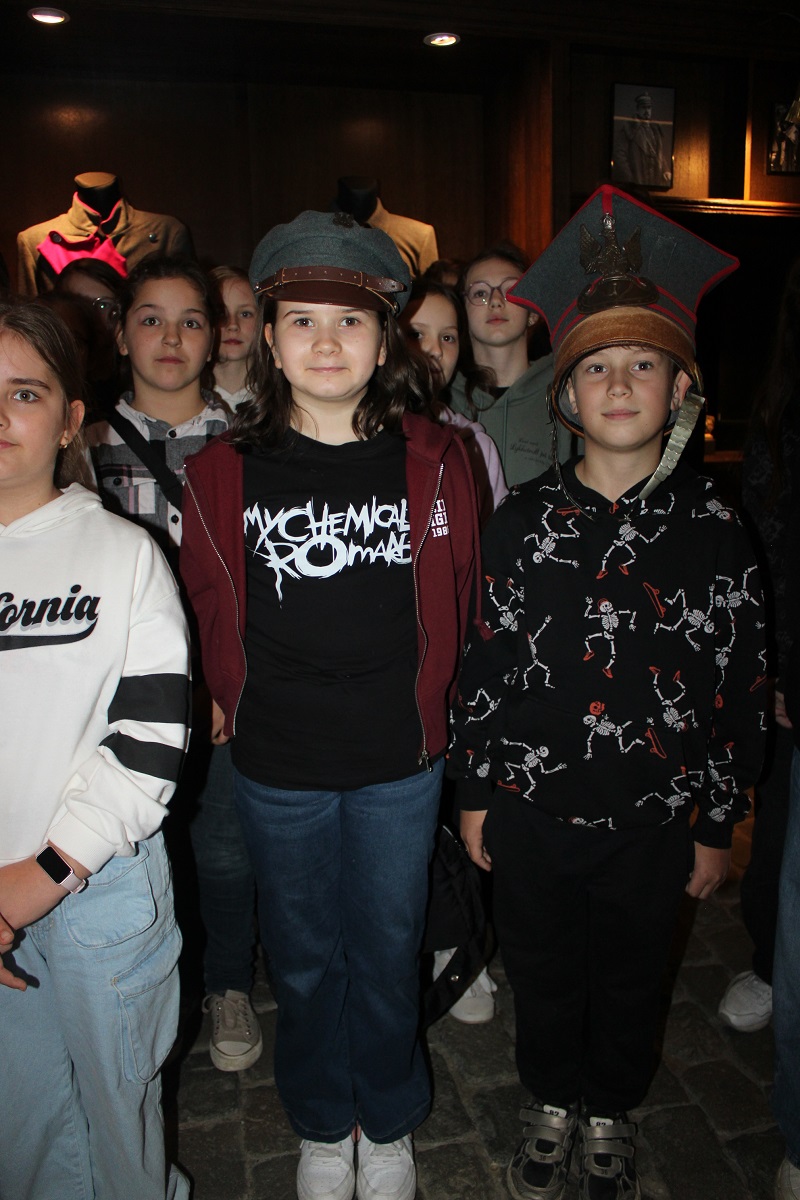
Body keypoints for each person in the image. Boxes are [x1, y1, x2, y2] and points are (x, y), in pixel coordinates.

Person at [448, 185, 766, 1200]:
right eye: (594, 366)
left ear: (681, 388)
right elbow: (485, 664)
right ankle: (550, 1096)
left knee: (631, 977)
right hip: (535, 811)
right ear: (564, 395)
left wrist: (716, 821)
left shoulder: (716, 532)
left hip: (653, 820)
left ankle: (611, 1107)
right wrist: (474, 790)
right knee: (542, 969)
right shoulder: (519, 522)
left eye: (642, 363)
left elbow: (736, 686)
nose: (618, 383)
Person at [179, 210, 480, 1200]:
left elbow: (466, 598)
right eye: (300, 320)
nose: (324, 341)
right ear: (266, 339)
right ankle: (320, 1117)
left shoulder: (439, 460)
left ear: (384, 340)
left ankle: (385, 1117)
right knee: (305, 957)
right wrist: (222, 697)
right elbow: (204, 603)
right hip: (278, 763)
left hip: (401, 762)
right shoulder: (218, 473)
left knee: (388, 949)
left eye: (349, 321)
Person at [0, 298, 191, 1199]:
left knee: (120, 1116)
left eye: (25, 392)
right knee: (23, 1124)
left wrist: (44, 872)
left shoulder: (124, 554)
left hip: (97, 888)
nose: (1, 415)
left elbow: (149, 740)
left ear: (71, 417)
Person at [86, 256, 261, 1073]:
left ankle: (227, 984)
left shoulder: (254, 442)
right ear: (122, 334)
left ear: (215, 336)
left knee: (222, 847)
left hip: (226, 687)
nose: (170, 337)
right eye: (149, 318)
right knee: (120, 846)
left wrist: (227, 679)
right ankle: (127, 991)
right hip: (114, 695)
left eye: (190, 320)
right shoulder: (81, 448)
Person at [718, 259, 800, 1034]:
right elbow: (764, 552)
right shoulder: (780, 411)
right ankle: (774, 963)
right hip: (792, 664)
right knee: (776, 832)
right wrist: (769, 664)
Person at [447, 241, 571, 486]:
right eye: (480, 293)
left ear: (532, 313)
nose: (495, 301)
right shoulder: (442, 398)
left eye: (510, 291)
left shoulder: (566, 392)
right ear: (462, 312)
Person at [210, 265, 259, 410]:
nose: (232, 325)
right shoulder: (185, 399)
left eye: (245, 314)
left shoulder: (282, 400)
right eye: (221, 313)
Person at [615, 92, 672, 188]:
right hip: (638, 177)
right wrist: (630, 178)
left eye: (649, 108)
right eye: (644, 108)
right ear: (638, 109)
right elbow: (619, 154)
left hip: (654, 178)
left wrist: (665, 170)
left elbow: (659, 153)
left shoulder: (655, 129)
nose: (647, 111)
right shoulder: (629, 128)